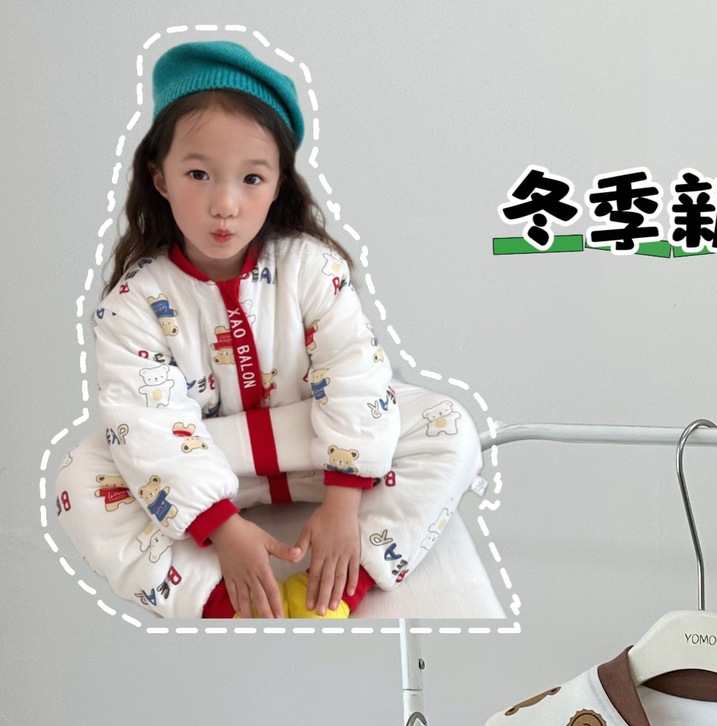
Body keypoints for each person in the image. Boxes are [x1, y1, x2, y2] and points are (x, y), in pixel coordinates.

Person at [55, 39, 479, 619]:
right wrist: (224, 530)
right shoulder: (133, 304)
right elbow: (147, 422)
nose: (225, 204)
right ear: (159, 177)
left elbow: (353, 371)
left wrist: (341, 505)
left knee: (449, 427)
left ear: (279, 183)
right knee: (82, 474)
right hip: (211, 451)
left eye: (251, 178)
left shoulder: (312, 267)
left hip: (312, 442)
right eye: (199, 174)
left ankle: (335, 587)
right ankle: (232, 605)